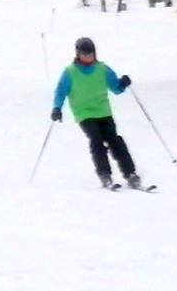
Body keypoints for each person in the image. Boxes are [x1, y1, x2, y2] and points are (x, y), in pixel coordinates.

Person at [50, 38, 141, 189]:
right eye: (85, 54)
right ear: (78, 54)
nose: (88, 57)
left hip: (103, 111)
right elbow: (60, 91)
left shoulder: (102, 69)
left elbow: (116, 88)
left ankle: (130, 173)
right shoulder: (70, 73)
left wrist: (123, 83)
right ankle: (104, 173)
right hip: (83, 113)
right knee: (96, 139)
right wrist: (57, 108)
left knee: (115, 140)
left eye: (91, 54)